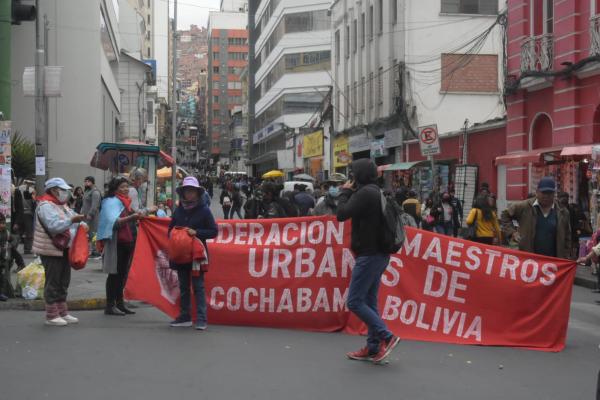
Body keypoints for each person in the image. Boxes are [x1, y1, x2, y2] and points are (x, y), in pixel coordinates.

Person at [336, 158, 400, 364]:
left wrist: (344, 192)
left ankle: (387, 336)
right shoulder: (375, 191)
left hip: (370, 255)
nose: (351, 178)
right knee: (370, 302)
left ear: (360, 175)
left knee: (354, 301)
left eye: (353, 174)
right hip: (379, 254)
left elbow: (342, 214)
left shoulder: (366, 193)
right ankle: (373, 348)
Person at [32, 177, 86, 326]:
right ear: (54, 190)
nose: (65, 193)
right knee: (53, 281)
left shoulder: (62, 205)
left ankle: (62, 312)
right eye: (62, 190)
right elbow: (54, 226)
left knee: (63, 281)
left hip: (63, 248)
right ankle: (51, 315)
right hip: (50, 249)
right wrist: (72, 221)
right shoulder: (45, 206)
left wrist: (80, 223)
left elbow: (72, 219)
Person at [168, 177, 218, 329]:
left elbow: (214, 231)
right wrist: (176, 235)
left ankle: (202, 319)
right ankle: (185, 317)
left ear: (197, 193)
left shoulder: (204, 210)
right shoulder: (179, 210)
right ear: (182, 193)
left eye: (192, 191)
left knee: (198, 287)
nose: (189, 194)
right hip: (180, 255)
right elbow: (170, 229)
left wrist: (196, 232)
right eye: (187, 191)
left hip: (196, 256)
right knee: (183, 287)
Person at [97, 176, 142, 316]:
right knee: (114, 275)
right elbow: (114, 223)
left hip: (127, 242)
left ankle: (120, 304)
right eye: (122, 187)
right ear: (115, 189)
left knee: (122, 275)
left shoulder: (125, 202)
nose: (126, 189)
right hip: (115, 243)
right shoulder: (110, 202)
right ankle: (110, 305)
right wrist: (132, 218)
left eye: (127, 186)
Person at [501, 176, 571, 259]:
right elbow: (505, 214)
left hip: (553, 261)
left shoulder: (562, 211)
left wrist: (566, 257)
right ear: (537, 192)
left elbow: (567, 236)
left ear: (554, 194)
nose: (546, 196)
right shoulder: (525, 206)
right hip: (529, 259)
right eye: (543, 192)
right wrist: (512, 232)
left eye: (549, 193)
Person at [81, 176, 102, 257]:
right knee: (87, 233)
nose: (86, 183)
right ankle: (90, 250)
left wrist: (90, 214)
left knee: (93, 233)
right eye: (85, 181)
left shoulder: (95, 192)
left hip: (93, 217)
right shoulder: (87, 191)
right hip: (85, 216)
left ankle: (95, 250)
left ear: (93, 182)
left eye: (88, 181)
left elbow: (95, 206)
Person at [0, 215, 11, 301]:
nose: (2, 225)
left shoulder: (6, 232)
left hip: (2, 258)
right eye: (1, 223)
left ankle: (1, 294)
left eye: (3, 223)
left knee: (1, 277)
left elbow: (10, 240)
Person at [22, 189, 35, 254]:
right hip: (29, 215)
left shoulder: (27, 197)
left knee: (28, 232)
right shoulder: (30, 198)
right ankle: (27, 249)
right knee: (29, 232)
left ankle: (28, 248)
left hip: (28, 214)